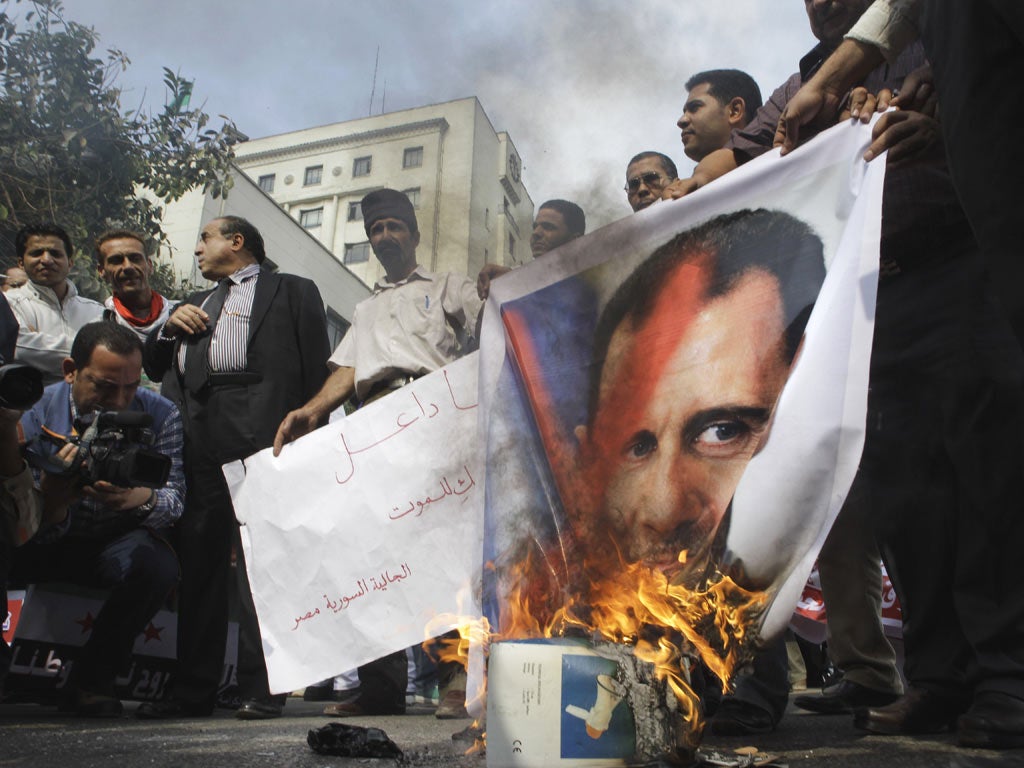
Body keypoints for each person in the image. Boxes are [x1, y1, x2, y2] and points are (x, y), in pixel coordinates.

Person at [670, 0, 1024, 751]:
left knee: (989, 479)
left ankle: (1009, 679)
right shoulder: (805, 81)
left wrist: (939, 132)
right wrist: (679, 200)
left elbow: (984, 99)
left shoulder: (941, 33)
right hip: (869, 300)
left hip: (962, 268)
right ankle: (938, 679)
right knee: (907, 497)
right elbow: (736, 158)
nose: (822, 5)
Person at [274, 188, 482, 719]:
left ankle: (456, 681)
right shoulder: (364, 309)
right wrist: (311, 410)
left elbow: (490, 325)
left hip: (435, 417)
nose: (385, 237)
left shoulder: (446, 286)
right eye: (376, 230)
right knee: (374, 557)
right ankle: (380, 687)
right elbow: (347, 371)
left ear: (412, 233)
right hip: (371, 424)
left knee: (442, 552)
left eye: (393, 227)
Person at [139, 215, 330, 721]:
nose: (198, 249)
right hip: (196, 428)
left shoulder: (291, 289)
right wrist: (166, 328)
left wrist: (312, 434)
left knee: (260, 564)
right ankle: (193, 691)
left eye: (205, 238)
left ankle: (262, 688)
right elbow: (155, 365)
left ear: (237, 242)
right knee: (200, 560)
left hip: (259, 426)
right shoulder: (195, 304)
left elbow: (316, 362)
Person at [0, 321, 183, 716]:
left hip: (114, 540)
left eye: (131, 387)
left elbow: (176, 497)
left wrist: (142, 499)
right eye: (103, 386)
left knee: (158, 565)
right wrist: (52, 500)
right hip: (41, 533)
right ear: (70, 371)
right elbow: (15, 515)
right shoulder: (30, 411)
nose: (119, 400)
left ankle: (93, 681)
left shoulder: (161, 414)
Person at [6, 223, 103, 384]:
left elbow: (113, 356)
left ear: (70, 263)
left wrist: (38, 344)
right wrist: (94, 352)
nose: (46, 260)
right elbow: (19, 350)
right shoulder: (8, 304)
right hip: (32, 405)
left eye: (55, 254)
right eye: (37, 253)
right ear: (21, 262)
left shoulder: (96, 311)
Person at [477, 199, 585, 300]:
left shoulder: (592, 284)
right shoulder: (515, 278)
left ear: (575, 239)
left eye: (548, 227)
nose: (536, 233)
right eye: (535, 227)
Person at [96, 229, 175, 343]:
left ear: (149, 265)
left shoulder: (178, 315)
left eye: (135, 259)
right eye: (116, 261)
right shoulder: (98, 324)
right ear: (101, 271)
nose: (128, 267)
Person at [678, 69, 762, 162]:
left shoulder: (775, 166)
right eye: (684, 112)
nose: (681, 121)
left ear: (735, 111)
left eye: (695, 108)